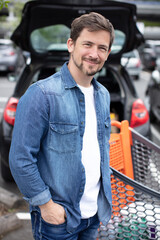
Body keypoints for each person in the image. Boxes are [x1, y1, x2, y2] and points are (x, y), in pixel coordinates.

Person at [9, 12, 114, 240]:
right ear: (71, 44)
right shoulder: (42, 94)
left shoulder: (103, 95)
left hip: (94, 214)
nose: (94, 54)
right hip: (58, 219)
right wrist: (46, 205)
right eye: (87, 44)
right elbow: (20, 158)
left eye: (102, 48)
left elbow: (99, 151)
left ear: (108, 53)